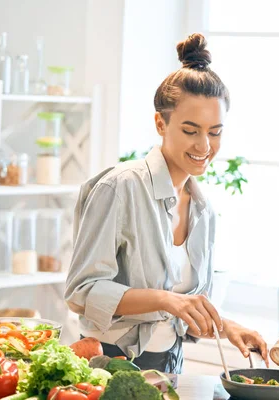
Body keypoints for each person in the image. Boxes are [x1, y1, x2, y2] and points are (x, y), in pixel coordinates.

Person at [64, 33, 268, 374]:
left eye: (215, 132)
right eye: (191, 130)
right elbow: (81, 292)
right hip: (106, 361)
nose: (205, 145)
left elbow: (185, 308)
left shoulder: (205, 211)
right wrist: (166, 300)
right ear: (161, 123)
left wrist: (226, 326)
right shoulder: (120, 187)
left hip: (170, 364)